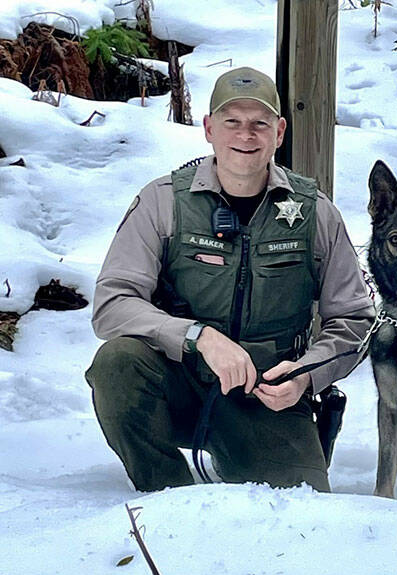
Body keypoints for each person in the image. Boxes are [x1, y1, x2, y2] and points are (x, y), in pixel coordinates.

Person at [85, 66, 375, 493]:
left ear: (279, 132)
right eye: (232, 121)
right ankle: (166, 496)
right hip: (178, 380)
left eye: (260, 123)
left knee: (300, 510)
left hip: (267, 394)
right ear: (208, 128)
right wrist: (197, 337)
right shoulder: (162, 202)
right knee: (118, 363)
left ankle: (257, 450)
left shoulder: (316, 213)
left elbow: (355, 320)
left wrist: (306, 375)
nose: (246, 135)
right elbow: (113, 305)